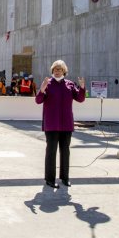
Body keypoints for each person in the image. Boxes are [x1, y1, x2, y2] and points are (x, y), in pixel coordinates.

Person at [35, 60, 86, 188]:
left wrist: (82, 88)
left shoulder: (69, 84)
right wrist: (41, 90)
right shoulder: (48, 84)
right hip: (51, 124)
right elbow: (38, 100)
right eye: (55, 69)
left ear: (64, 71)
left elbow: (80, 99)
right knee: (51, 152)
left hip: (66, 124)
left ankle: (64, 177)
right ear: (52, 71)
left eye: (60, 69)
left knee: (65, 151)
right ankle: (50, 179)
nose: (57, 71)